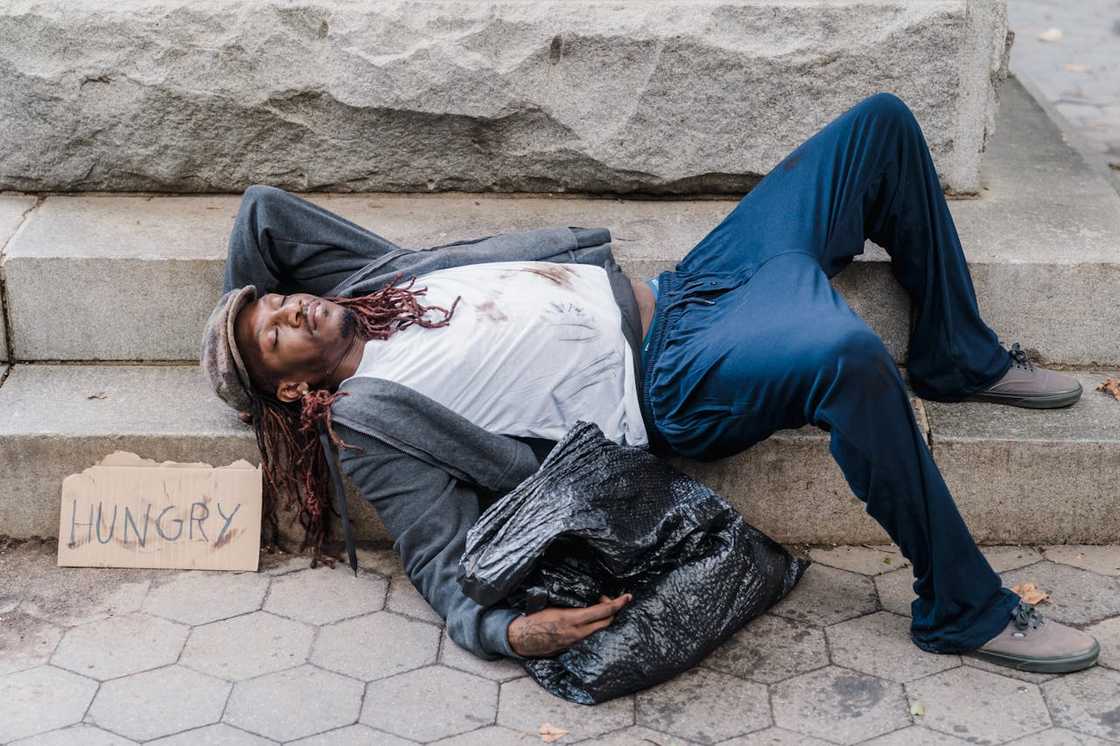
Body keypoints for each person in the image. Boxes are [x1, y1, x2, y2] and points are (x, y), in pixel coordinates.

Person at [201, 92, 1099, 674]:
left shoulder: (368, 285)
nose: (291, 312)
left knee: (881, 126)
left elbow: (262, 210)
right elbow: (437, 558)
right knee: (850, 356)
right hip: (667, 381)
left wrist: (234, 314)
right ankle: (962, 609)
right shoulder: (369, 420)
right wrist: (507, 633)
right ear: (288, 390)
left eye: (280, 301)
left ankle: (958, 356)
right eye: (273, 335)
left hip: (692, 286)